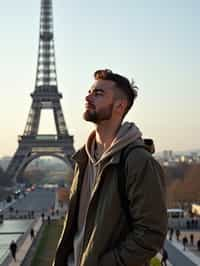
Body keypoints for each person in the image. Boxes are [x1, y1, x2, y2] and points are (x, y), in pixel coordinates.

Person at [53, 69, 167, 266]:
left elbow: (151, 233)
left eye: (98, 94)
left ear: (119, 106)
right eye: (89, 91)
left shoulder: (138, 161)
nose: (87, 97)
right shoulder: (84, 159)